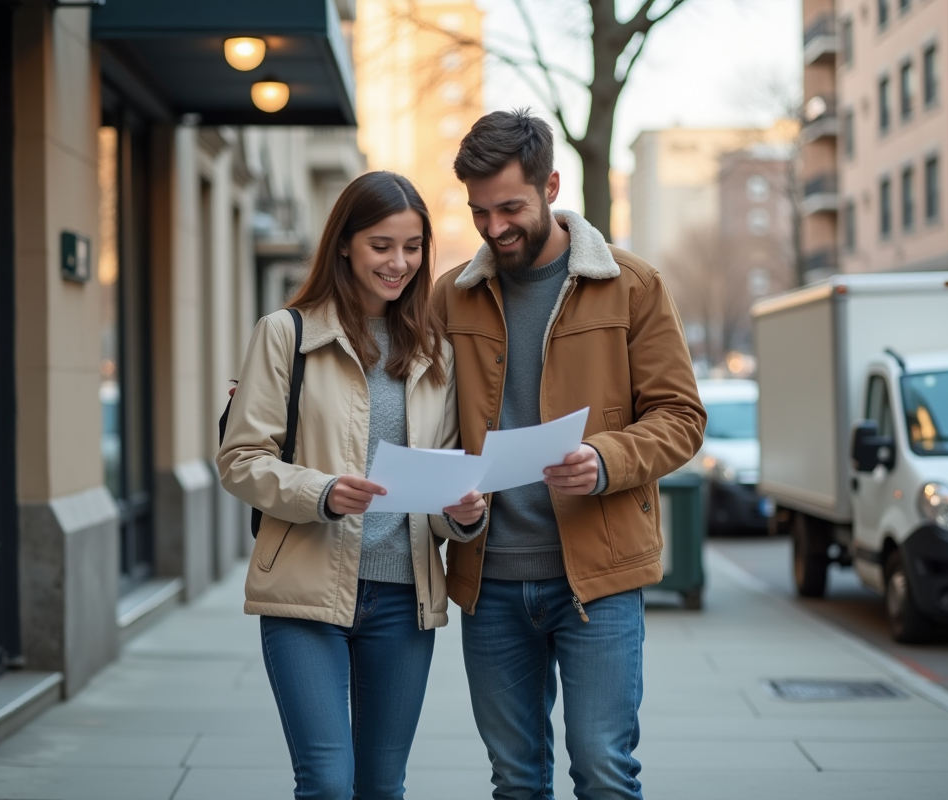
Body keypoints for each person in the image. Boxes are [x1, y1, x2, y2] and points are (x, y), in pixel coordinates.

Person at [431, 110, 706, 799]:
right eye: (480, 212)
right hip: (488, 581)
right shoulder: (448, 297)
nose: (495, 228)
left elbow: (681, 417)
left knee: (605, 772)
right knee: (515, 781)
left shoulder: (631, 285)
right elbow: (400, 406)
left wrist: (606, 459)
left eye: (511, 208)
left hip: (600, 580)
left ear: (551, 185)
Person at [217, 171, 487, 800]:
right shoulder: (286, 335)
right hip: (306, 593)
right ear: (345, 243)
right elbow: (241, 459)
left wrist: (463, 512)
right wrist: (322, 492)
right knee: (329, 786)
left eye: (412, 247)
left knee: (381, 787)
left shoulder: (433, 350)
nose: (399, 263)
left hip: (402, 601)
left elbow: (441, 475)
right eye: (381, 246)